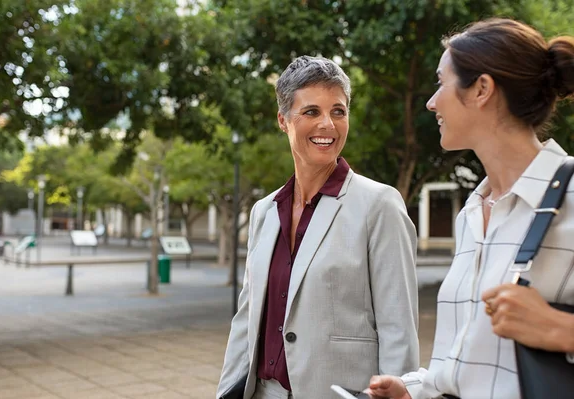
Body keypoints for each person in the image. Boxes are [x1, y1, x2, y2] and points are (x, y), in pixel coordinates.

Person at [366, 18, 574, 399]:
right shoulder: (472, 213)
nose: (431, 102)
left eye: (441, 82)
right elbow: (468, 362)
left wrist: (559, 328)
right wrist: (413, 389)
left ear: (481, 89)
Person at [217, 55, 419, 399]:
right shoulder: (264, 212)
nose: (328, 124)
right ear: (283, 120)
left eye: (338, 111)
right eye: (311, 112)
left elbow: (398, 330)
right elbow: (246, 322)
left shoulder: (379, 205)